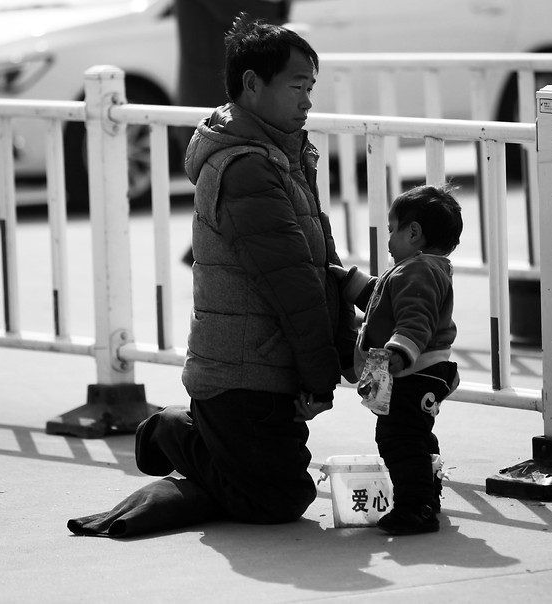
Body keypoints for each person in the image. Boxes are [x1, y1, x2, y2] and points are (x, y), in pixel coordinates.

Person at [67, 15, 356, 538]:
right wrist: (320, 375)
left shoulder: (285, 155)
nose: (308, 101)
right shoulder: (247, 168)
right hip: (241, 375)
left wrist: (345, 342)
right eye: (297, 87)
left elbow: (317, 261)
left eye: (311, 88)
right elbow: (291, 284)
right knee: (279, 499)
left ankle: (200, 441)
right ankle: (174, 431)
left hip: (269, 364)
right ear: (251, 85)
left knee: (278, 489)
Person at [332, 184, 462, 536]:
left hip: (414, 371)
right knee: (415, 436)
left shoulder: (417, 272)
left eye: (392, 230)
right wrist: (348, 282)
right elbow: (383, 300)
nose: (388, 239)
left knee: (399, 439)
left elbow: (414, 319)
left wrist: (398, 353)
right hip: (423, 374)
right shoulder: (418, 269)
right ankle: (427, 496)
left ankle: (415, 507)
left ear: (414, 232)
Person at [175, 0, 292, 266]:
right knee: (238, 170)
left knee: (235, 175)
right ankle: (210, 248)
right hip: (220, 85)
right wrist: (278, 7)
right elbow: (239, 10)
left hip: (220, 81)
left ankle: (207, 247)